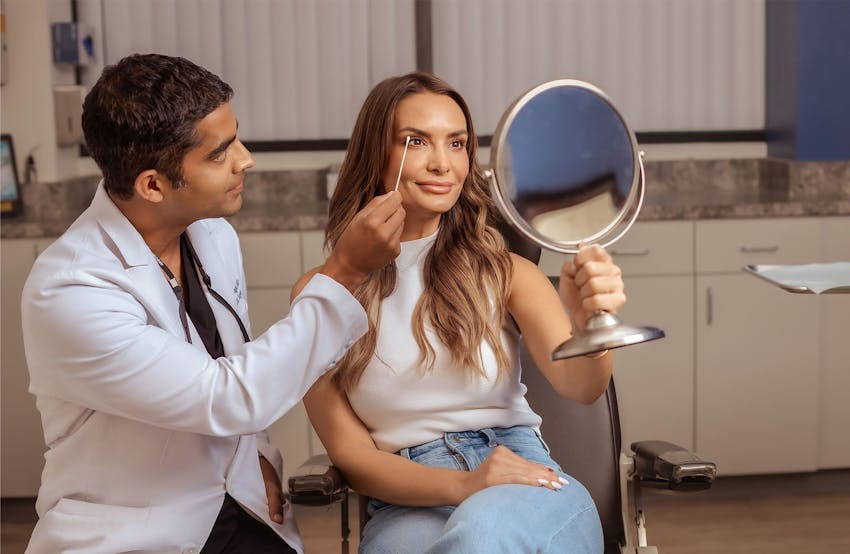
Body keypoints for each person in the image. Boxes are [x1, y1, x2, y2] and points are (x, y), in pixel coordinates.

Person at [21, 53, 404, 554]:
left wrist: (254, 459)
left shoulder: (212, 236)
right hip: (134, 532)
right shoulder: (71, 290)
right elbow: (223, 395)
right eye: (220, 153)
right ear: (153, 185)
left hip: (237, 506)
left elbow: (236, 362)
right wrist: (346, 271)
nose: (246, 159)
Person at [294, 72, 627, 553]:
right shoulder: (322, 292)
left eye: (457, 144)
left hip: (524, 479)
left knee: (481, 537)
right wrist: (462, 486)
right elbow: (350, 455)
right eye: (415, 141)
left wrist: (589, 324)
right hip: (406, 501)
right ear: (376, 154)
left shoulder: (507, 273)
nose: (441, 164)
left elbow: (583, 385)